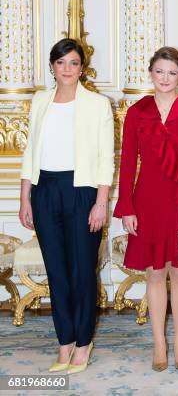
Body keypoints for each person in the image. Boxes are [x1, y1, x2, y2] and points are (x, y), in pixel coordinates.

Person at [113, 47, 178, 372]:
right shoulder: (136, 112)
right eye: (159, 72)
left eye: (172, 73)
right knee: (155, 272)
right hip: (147, 201)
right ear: (150, 73)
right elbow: (128, 162)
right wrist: (126, 206)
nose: (165, 78)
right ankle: (159, 341)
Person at [19, 38, 114, 374]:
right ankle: (65, 342)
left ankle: (83, 343)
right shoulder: (40, 100)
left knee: (82, 271)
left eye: (74, 63)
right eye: (61, 63)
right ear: (53, 66)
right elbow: (31, 151)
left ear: (82, 67)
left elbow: (106, 158)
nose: (68, 69)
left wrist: (101, 202)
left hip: (83, 191)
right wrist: (24, 197)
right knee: (57, 272)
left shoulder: (97, 104)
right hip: (45, 190)